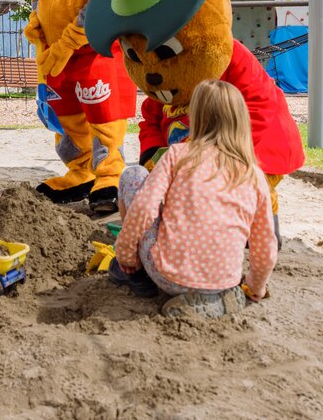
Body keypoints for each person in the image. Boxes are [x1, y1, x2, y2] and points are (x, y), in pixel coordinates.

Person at [108, 80, 278, 319]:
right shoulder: (253, 173)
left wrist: (125, 253)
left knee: (133, 176)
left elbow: (144, 207)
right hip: (225, 280)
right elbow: (265, 245)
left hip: (169, 276)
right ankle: (217, 299)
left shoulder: (178, 155)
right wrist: (256, 287)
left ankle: (136, 275)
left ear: (196, 116)